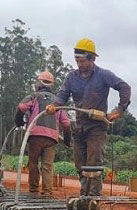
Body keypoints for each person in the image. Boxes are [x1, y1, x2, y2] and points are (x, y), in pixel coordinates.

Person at [48, 38, 131, 196]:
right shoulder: (71, 77)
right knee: (80, 164)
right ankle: (84, 194)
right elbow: (62, 96)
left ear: (92, 58)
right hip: (79, 127)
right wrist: (54, 106)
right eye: (77, 60)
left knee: (93, 164)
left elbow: (124, 87)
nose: (79, 64)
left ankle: (93, 198)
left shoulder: (103, 75)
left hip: (97, 128)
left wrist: (119, 110)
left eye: (82, 60)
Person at [15, 71, 71, 195]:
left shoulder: (34, 96)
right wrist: (67, 141)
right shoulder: (57, 102)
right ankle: (47, 191)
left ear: (38, 83)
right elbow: (66, 124)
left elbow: (21, 107)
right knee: (47, 166)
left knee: (33, 163)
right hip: (51, 138)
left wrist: (18, 121)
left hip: (35, 136)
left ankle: (34, 190)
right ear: (51, 85)